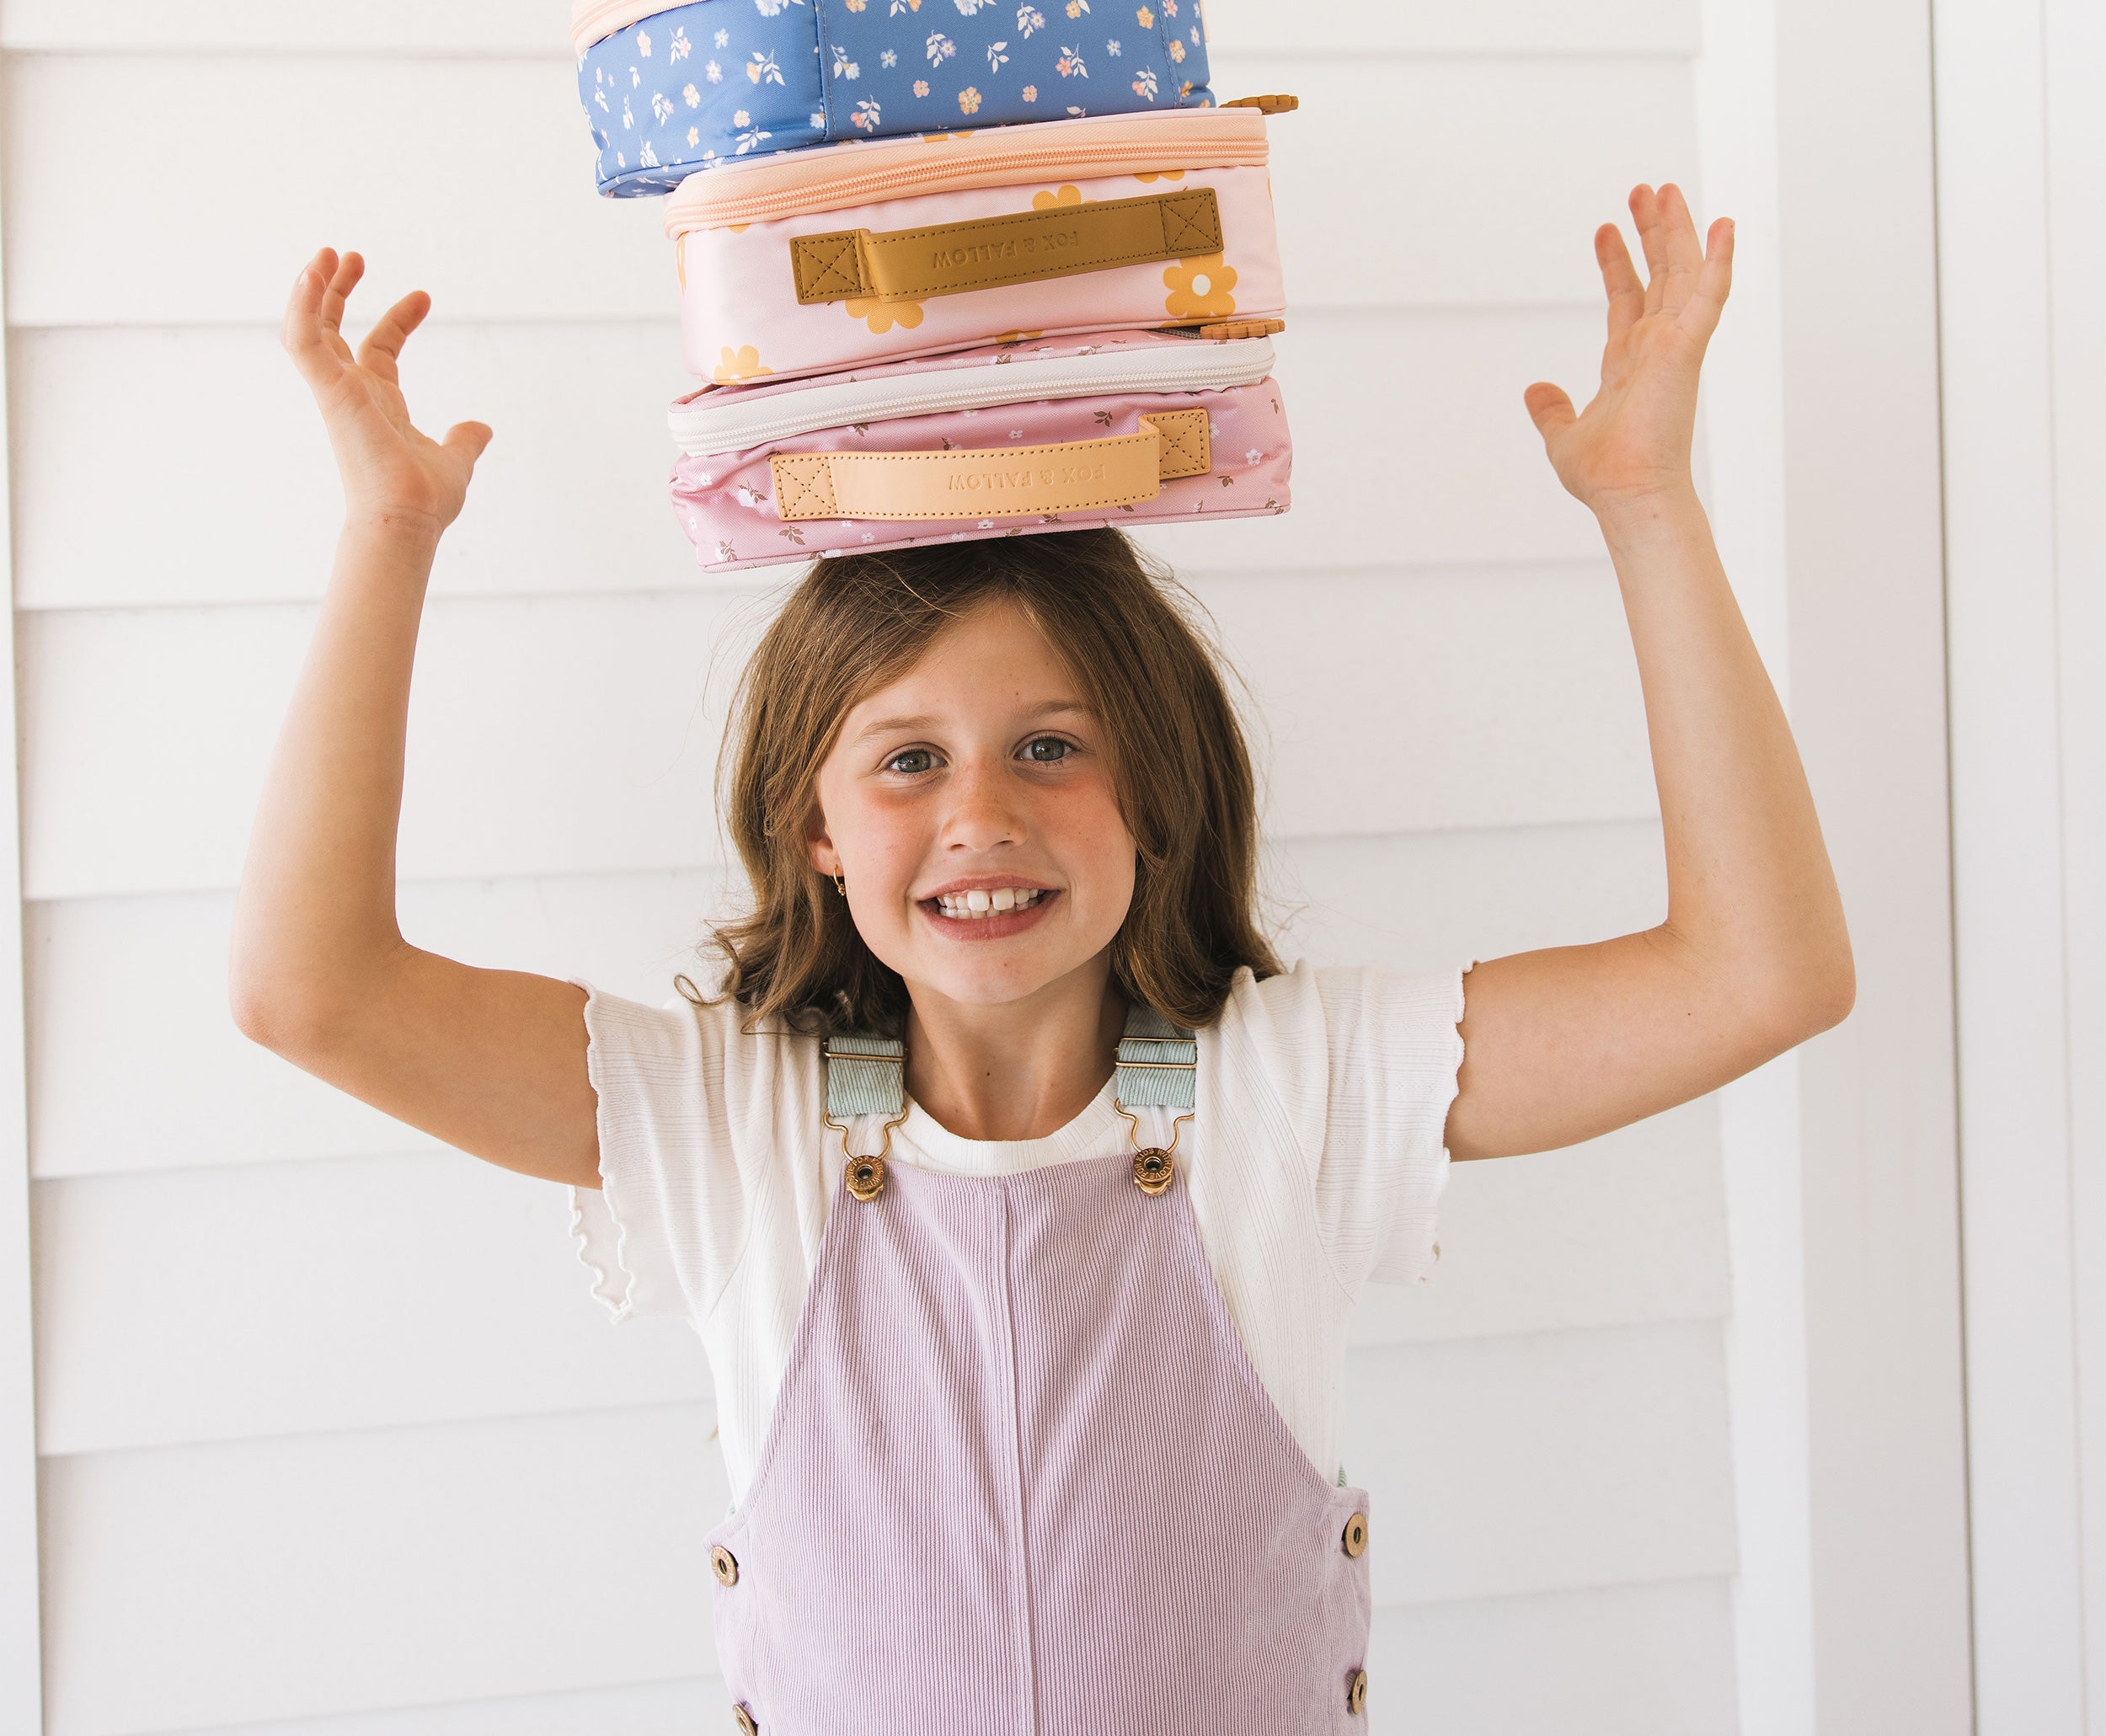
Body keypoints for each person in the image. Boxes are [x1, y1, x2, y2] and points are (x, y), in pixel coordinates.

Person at [229, 183, 1852, 1733]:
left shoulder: (1297, 1096)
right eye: (909, 760)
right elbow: (315, 993)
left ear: (1156, 792)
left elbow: (1757, 975)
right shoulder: (725, 1132)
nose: (981, 815)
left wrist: (1647, 502)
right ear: (813, 830)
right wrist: (389, 531)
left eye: (1054, 748)